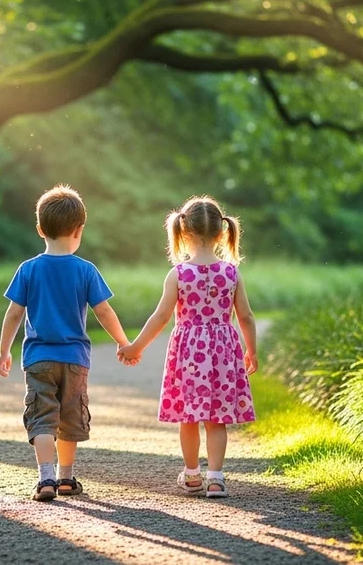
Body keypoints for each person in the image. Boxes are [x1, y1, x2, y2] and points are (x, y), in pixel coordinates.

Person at [0, 184, 132, 501]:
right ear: (79, 230)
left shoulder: (28, 269)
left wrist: (4, 350)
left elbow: (14, 313)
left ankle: (45, 480)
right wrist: (124, 342)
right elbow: (104, 311)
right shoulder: (85, 270)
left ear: (40, 228)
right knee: (70, 418)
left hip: (38, 360)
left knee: (42, 419)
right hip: (75, 360)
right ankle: (66, 478)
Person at [117, 195, 258, 498]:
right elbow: (245, 315)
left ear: (183, 233)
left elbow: (161, 317)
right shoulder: (231, 273)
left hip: (189, 354)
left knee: (189, 417)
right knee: (217, 418)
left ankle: (192, 475)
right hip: (223, 351)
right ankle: (217, 478)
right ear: (222, 233)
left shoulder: (179, 274)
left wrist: (135, 347)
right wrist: (252, 350)